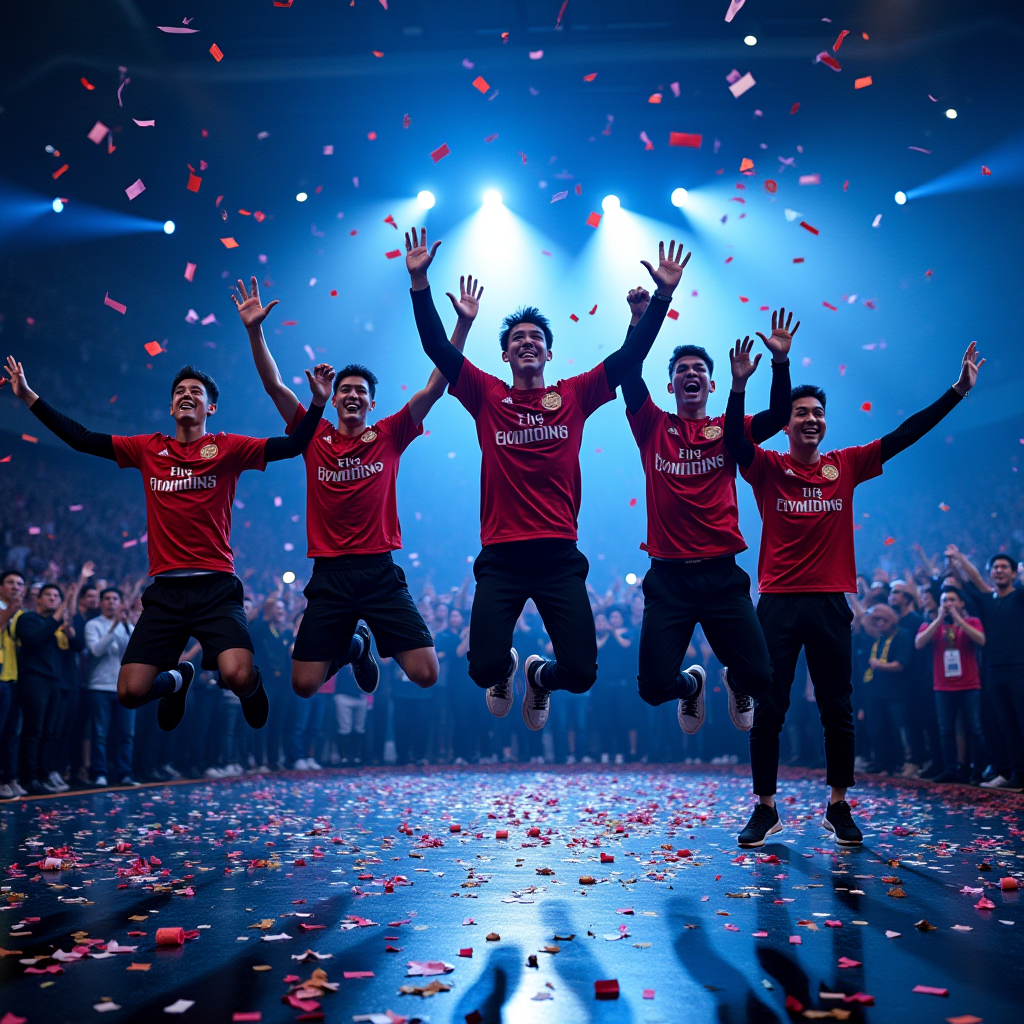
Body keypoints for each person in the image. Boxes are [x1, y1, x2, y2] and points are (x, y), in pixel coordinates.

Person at [404, 226, 689, 732]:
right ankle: (508, 669)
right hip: (502, 557)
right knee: (483, 668)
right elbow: (434, 346)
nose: (527, 342)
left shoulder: (574, 395)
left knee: (579, 674)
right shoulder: (486, 394)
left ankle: (538, 676)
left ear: (549, 354)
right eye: (517, 339)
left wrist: (663, 296)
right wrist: (420, 283)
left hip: (559, 555)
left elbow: (630, 360)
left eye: (536, 338)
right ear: (506, 356)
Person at [726, 341, 985, 847]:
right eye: (801, 413)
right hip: (777, 601)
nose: (811, 419)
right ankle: (765, 808)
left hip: (829, 603)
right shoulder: (766, 466)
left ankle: (838, 806)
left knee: (836, 708)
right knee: (770, 708)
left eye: (818, 413)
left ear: (826, 423)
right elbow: (736, 442)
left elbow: (904, 435)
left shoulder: (845, 465)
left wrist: (957, 392)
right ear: (785, 423)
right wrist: (741, 385)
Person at [3, 355, 331, 734]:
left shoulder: (227, 447)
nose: (186, 394)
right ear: (171, 406)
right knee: (130, 692)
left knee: (238, 677)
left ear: (211, 407)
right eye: (179, 391)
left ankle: (251, 687)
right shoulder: (148, 448)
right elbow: (82, 439)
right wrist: (29, 397)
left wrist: (318, 403)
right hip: (166, 592)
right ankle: (177, 681)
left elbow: (292, 446)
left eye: (196, 391)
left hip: (216, 588)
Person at [236, 274, 481, 704]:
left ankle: (362, 642)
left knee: (426, 674)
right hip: (330, 574)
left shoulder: (390, 433)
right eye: (344, 389)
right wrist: (255, 330)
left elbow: (436, 386)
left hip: (379, 571)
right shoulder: (314, 434)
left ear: (371, 403)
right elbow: (275, 386)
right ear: (333, 399)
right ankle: (355, 646)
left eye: (360, 392)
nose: (352, 395)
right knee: (304, 685)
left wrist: (461, 327)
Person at [622, 299, 796, 739]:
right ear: (672, 385)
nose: (691, 373)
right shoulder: (652, 425)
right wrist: (639, 321)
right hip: (669, 579)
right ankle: (692, 684)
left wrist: (779, 362)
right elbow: (628, 372)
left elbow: (778, 416)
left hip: (722, 576)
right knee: (653, 688)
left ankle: (734, 681)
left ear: (713, 383)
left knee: (760, 679)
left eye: (698, 367)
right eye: (682, 369)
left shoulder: (728, 429)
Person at [947, 550, 1024, 791]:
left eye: (1004, 567)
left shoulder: (1020, 596)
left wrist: (960, 557)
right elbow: (973, 580)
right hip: (994, 670)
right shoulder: (989, 600)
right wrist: (958, 560)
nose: (999, 570)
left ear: (1013, 573)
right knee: (1006, 725)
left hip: (1019, 668)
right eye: (995, 567)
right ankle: (1017, 774)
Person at [915, 586, 987, 783]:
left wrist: (959, 619)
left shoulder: (972, 622)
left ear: (962, 603)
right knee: (946, 731)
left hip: (969, 685)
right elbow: (919, 643)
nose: (949, 604)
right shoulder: (931, 625)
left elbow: (981, 640)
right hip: (943, 687)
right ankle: (951, 770)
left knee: (975, 730)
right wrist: (938, 620)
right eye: (945, 600)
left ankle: (978, 771)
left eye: (953, 600)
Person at [14, 583, 82, 793]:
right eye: (49, 595)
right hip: (34, 680)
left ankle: (43, 775)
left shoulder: (58, 625)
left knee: (50, 732)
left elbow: (78, 647)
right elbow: (34, 640)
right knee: (33, 730)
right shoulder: (28, 619)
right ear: (39, 599)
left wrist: (68, 626)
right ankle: (28, 778)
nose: (53, 598)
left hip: (55, 682)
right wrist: (62, 608)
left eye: (56, 595)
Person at [84, 588, 136, 787]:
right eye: (107, 599)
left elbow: (131, 654)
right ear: (100, 602)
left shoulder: (127, 627)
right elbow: (96, 651)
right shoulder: (93, 625)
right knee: (100, 733)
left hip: (124, 688)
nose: (111, 602)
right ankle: (100, 773)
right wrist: (114, 628)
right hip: (99, 687)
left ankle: (124, 773)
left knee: (126, 734)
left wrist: (126, 626)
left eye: (115, 599)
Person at [857, 603, 915, 775]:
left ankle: (905, 762)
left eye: (883, 620)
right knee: (877, 728)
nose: (880, 623)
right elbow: (864, 622)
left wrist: (880, 665)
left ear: (891, 620)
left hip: (896, 692)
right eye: (877, 620)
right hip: (876, 691)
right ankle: (882, 763)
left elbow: (901, 664)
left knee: (899, 728)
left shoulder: (902, 635)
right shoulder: (878, 638)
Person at [0, 570, 26, 798]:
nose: (15, 586)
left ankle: (10, 778)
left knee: (11, 734)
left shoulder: (20, 613)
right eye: (10, 583)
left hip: (15, 677)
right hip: (0, 678)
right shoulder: (6, 609)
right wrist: (12, 609)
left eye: (19, 583)